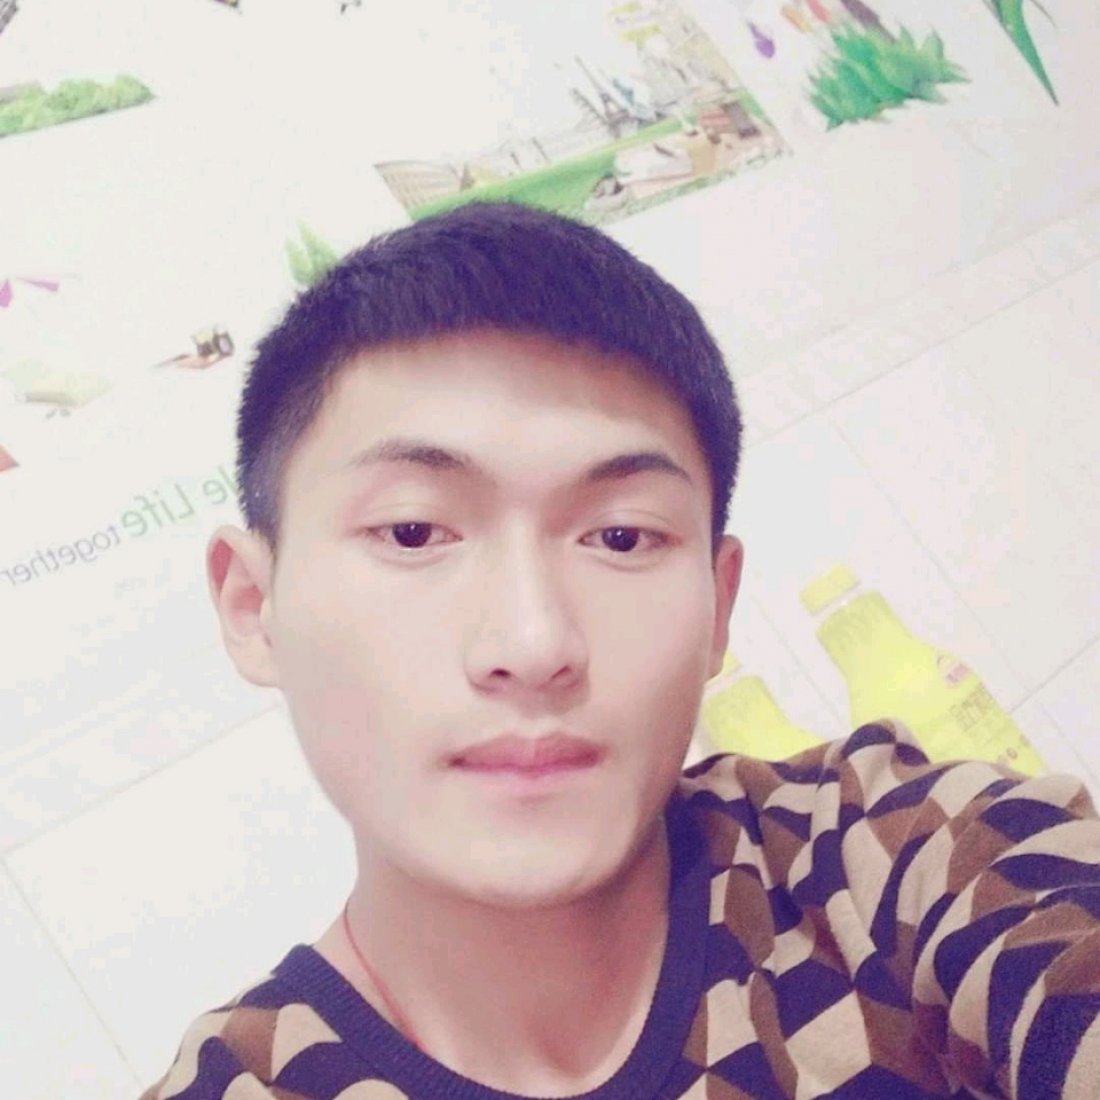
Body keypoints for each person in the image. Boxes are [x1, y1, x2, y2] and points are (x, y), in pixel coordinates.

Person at [141, 201, 1100, 1099]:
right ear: (254, 605)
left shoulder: (883, 866)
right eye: (413, 532)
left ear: (719, 607)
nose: (534, 642)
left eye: (623, 537)